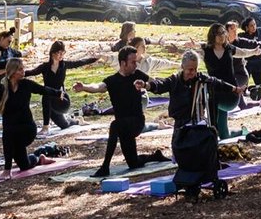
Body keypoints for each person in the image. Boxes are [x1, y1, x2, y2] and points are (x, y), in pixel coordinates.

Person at [153, 48, 230, 199]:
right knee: (181, 149)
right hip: (181, 124)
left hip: (198, 123)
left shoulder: (200, 79)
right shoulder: (175, 80)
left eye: (194, 69)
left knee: (204, 146)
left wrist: (235, 89)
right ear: (182, 67)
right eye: (189, 69)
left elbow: (217, 82)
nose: (192, 73)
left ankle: (202, 175)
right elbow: (159, 85)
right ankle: (188, 179)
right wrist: (146, 85)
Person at [98, 47, 154, 176]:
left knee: (114, 124)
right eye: (133, 62)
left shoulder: (138, 75)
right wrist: (83, 87)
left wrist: (148, 85)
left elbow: (154, 82)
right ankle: (154, 156)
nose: (136, 64)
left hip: (136, 122)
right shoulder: (112, 80)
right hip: (123, 128)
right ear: (123, 63)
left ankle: (105, 167)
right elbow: (98, 87)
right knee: (133, 163)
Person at [202, 23, 248, 139]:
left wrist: (256, 51)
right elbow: (191, 54)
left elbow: (243, 52)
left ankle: (212, 131)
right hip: (215, 93)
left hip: (231, 93)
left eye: (223, 33)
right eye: (218, 34)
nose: (221, 36)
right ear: (212, 36)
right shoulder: (206, 50)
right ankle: (241, 132)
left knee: (213, 102)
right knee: (224, 135)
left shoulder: (229, 49)